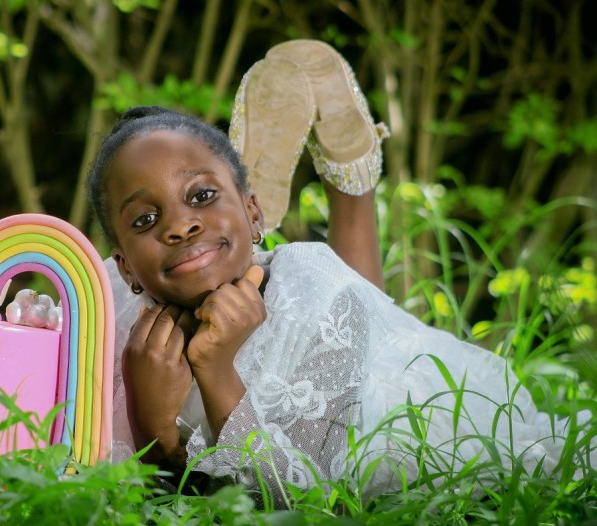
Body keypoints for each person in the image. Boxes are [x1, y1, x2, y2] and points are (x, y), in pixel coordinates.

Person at [85, 40, 594, 503]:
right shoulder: (108, 307)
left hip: (391, 405)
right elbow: (151, 497)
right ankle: (288, 188)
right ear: (125, 265)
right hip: (302, 326)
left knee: (336, 296)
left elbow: (299, 501)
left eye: (200, 196)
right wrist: (153, 430)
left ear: (254, 214)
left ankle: (352, 181)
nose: (178, 226)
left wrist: (217, 376)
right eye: (146, 219)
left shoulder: (319, 294)